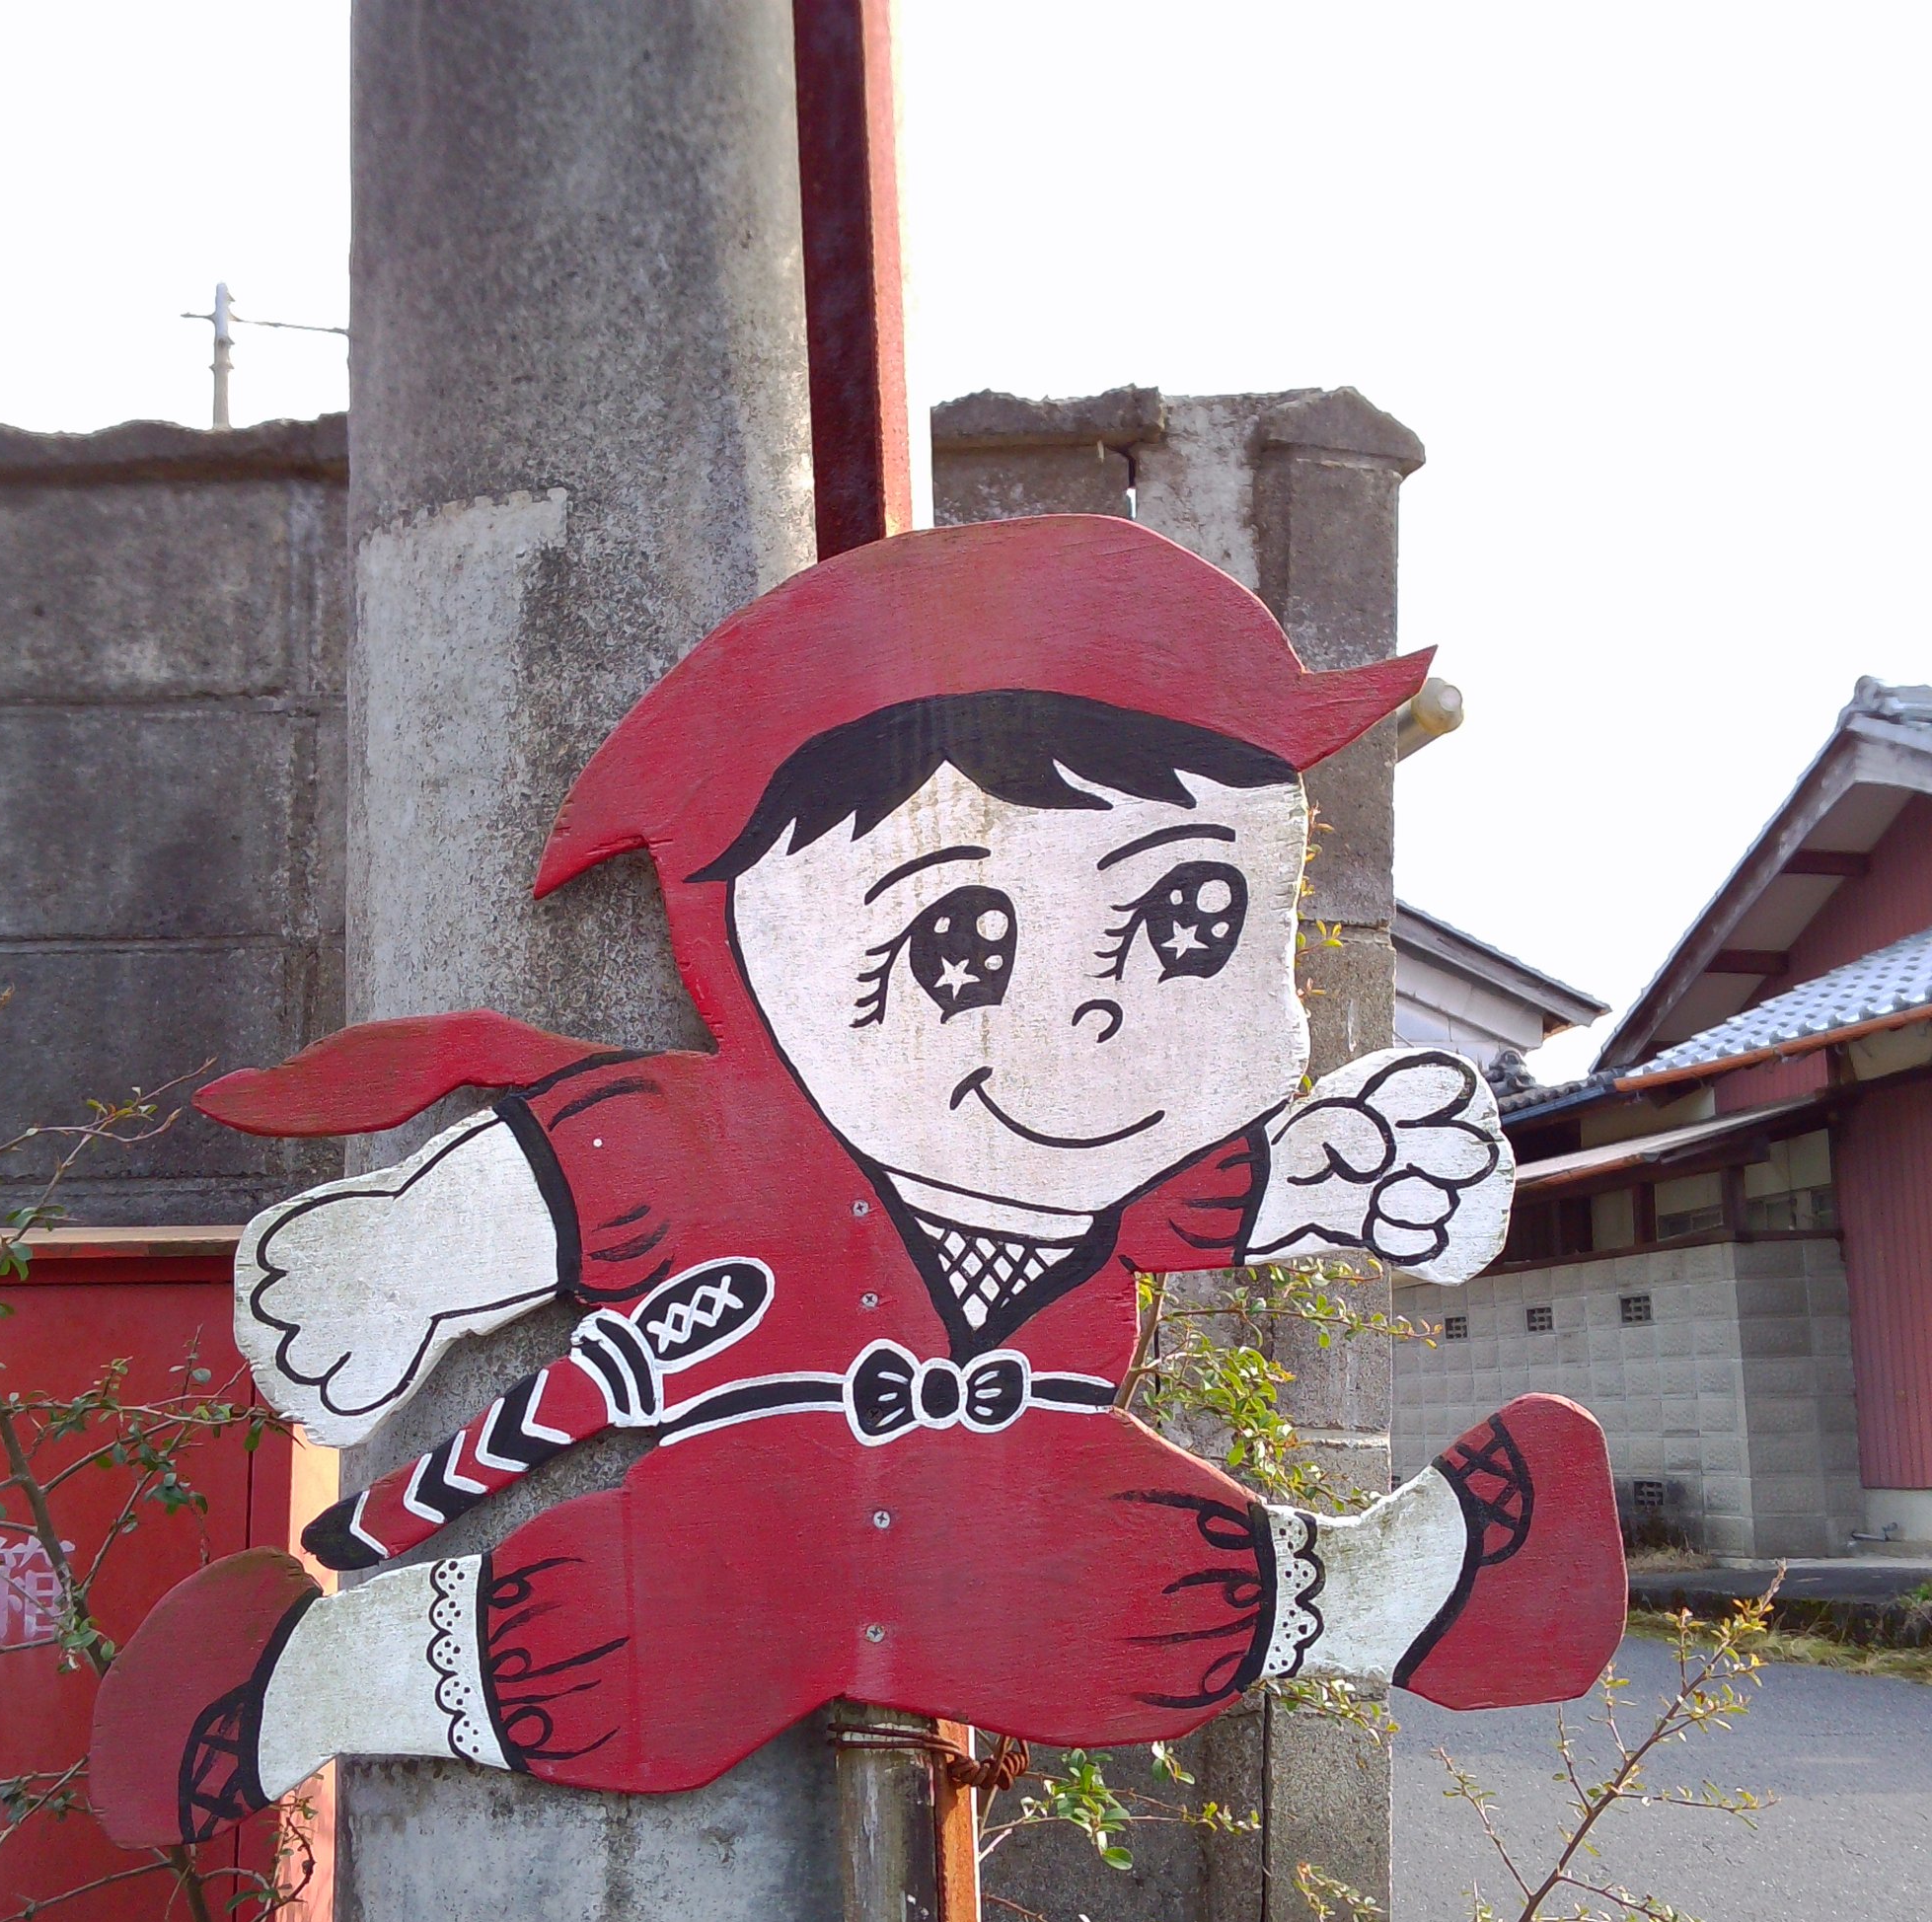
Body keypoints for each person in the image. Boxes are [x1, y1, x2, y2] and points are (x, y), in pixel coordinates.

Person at [91, 516, 1624, 1850]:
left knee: (1162, 1597)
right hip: (744, 1540)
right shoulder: (724, 1138)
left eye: (1190, 915)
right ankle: (306, 1680)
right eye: (962, 942)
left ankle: (1407, 1595)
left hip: (1036, 1522)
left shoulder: (1121, 1182)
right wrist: (411, 1260)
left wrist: (1340, 1173)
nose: (1090, 1015)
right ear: (748, 936)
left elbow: (1235, 1191)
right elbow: (568, 1180)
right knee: (609, 1653)